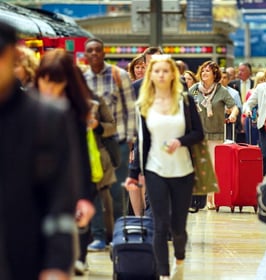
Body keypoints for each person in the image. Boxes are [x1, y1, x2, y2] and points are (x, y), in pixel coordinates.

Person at [0, 21, 83, 280]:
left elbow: (60, 198)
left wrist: (58, 265)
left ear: (13, 55)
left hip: (27, 255)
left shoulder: (48, 117)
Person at [125, 55, 204, 280]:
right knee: (159, 224)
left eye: (165, 71)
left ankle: (179, 256)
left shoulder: (185, 100)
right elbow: (144, 141)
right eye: (156, 71)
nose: (161, 75)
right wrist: (133, 173)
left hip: (183, 171)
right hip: (154, 169)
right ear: (151, 74)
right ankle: (164, 274)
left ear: (173, 74)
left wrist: (181, 141)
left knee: (178, 228)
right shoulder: (145, 103)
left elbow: (198, 134)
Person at [34, 49, 99, 275]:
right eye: (45, 80)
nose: (49, 88)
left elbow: (80, 157)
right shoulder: (27, 107)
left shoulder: (74, 111)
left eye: (57, 82)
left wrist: (84, 196)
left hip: (62, 186)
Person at [83, 37, 137, 251]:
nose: (94, 54)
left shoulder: (119, 75)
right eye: (90, 51)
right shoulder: (83, 78)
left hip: (118, 141)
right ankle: (98, 236)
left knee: (117, 191)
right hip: (92, 143)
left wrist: (131, 139)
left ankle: (117, 234)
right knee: (94, 189)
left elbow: (130, 110)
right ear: (85, 55)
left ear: (104, 53)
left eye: (98, 50)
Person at [189, 60, 239, 209]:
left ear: (214, 74)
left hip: (215, 133)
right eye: (203, 71)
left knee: (212, 167)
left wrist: (233, 115)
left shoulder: (221, 90)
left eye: (208, 71)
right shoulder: (196, 89)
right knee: (197, 166)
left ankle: (211, 199)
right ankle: (198, 199)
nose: (204, 73)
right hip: (197, 133)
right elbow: (187, 103)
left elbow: (233, 106)